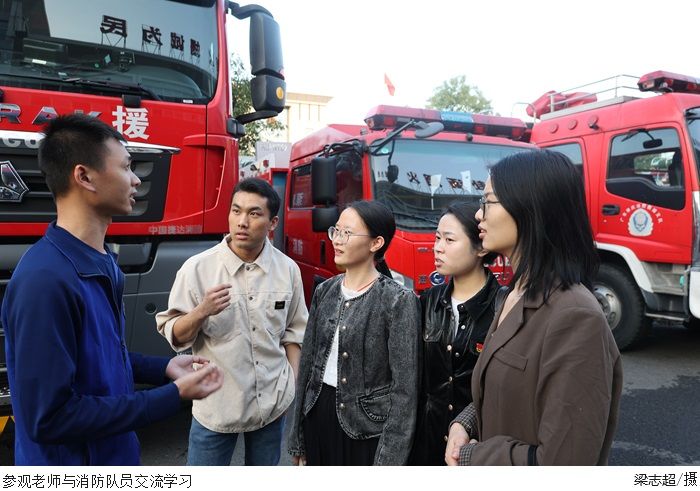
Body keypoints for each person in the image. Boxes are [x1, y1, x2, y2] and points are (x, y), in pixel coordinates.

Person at [1, 114, 223, 466]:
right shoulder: (44, 281)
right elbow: (49, 417)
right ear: (84, 176)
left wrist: (164, 368)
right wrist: (172, 396)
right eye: (125, 167)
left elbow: (101, 358)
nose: (136, 179)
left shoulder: (101, 261)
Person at [445, 149, 622, 466]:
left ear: (530, 207)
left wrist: (472, 456)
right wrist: (465, 422)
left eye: (488, 202)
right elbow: (505, 386)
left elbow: (564, 462)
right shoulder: (513, 293)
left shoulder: (575, 315)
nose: (478, 215)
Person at [156, 177, 308, 466]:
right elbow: (174, 332)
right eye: (236, 211)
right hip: (217, 406)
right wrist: (201, 311)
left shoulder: (287, 269)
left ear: (273, 223)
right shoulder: (197, 268)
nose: (242, 222)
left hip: (271, 404)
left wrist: (293, 386)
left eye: (254, 213)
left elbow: (294, 332)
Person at [288, 201, 420, 466]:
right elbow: (308, 368)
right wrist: (297, 439)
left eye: (347, 233)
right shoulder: (325, 290)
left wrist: (390, 461)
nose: (337, 240)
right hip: (317, 415)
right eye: (336, 231)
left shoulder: (397, 300)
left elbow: (405, 391)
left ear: (376, 243)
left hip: (366, 428)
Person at [408, 201, 500, 465]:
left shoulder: (503, 307)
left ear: (481, 247)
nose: (438, 247)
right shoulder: (427, 301)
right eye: (437, 238)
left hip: (475, 447)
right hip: (426, 445)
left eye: (449, 240)